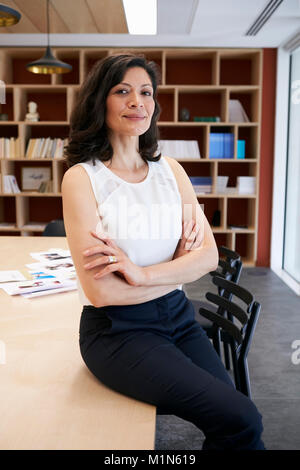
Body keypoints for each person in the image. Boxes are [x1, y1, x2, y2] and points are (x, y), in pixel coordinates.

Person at [62, 53, 265, 450]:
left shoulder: (170, 170)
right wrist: (177, 268)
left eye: (146, 92)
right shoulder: (82, 178)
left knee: (237, 417)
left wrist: (141, 273)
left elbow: (208, 257)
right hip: (118, 332)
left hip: (178, 318)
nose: (138, 101)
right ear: (100, 100)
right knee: (242, 419)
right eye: (123, 91)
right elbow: (103, 293)